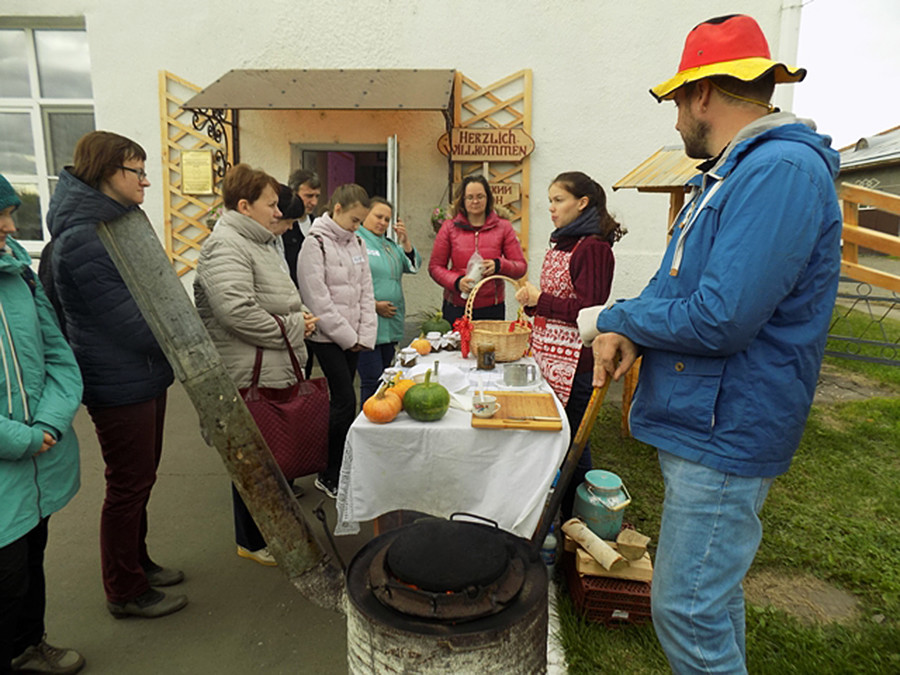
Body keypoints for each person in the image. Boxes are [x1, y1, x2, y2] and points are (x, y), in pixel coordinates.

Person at [580, 15, 842, 673]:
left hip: (730, 426)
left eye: (675, 103)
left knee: (686, 609)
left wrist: (614, 317)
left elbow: (723, 317)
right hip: (706, 419)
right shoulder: (730, 175)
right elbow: (679, 295)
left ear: (701, 94)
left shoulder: (778, 171)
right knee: (708, 602)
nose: (673, 121)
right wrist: (630, 330)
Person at [47, 131, 187, 619]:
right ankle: (124, 590)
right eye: (137, 170)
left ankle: (138, 563)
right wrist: (180, 331)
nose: (146, 180)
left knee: (141, 478)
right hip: (118, 380)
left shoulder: (117, 224)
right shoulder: (84, 238)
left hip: (142, 374)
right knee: (127, 484)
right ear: (109, 172)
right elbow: (129, 320)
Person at [194, 166, 317, 566]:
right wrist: (296, 326)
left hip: (266, 366)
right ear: (245, 206)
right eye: (270, 204)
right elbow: (237, 313)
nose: (277, 212)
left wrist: (297, 313)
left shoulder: (255, 242)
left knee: (267, 455)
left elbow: (272, 297)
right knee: (252, 458)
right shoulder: (227, 246)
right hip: (249, 374)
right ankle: (252, 539)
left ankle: (271, 531)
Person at [0, 175, 85, 674]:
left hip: (38, 458)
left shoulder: (20, 276)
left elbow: (58, 354)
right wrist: (25, 438)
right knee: (5, 578)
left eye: (10, 214)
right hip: (17, 454)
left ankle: (30, 644)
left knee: (31, 562)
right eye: (0, 217)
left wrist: (51, 421)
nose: (11, 227)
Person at [515, 171, 625, 518]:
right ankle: (556, 514)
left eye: (558, 200)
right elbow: (559, 301)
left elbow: (590, 312)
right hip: (550, 360)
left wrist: (542, 299)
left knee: (573, 444)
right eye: (549, 200)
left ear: (582, 203)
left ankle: (577, 519)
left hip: (576, 364)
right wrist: (532, 303)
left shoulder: (592, 248)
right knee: (557, 441)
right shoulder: (565, 243)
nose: (551, 208)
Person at [297, 184, 376, 499]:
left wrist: (364, 336)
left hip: (353, 337)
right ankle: (328, 473)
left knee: (345, 403)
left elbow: (366, 293)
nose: (358, 226)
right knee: (343, 401)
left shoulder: (356, 241)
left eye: (361, 221)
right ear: (338, 209)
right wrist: (348, 337)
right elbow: (317, 300)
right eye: (355, 219)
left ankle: (338, 466)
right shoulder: (314, 244)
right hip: (327, 338)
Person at [428, 175, 527, 325]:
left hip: (492, 309)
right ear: (463, 200)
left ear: (488, 198)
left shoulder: (504, 227)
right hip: (456, 307)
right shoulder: (449, 228)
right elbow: (435, 267)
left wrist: (499, 265)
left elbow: (520, 267)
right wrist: (457, 282)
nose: (475, 201)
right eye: (470, 197)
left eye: (480, 196)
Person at [356, 197, 421, 403]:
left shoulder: (390, 245)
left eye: (387, 219)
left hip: (390, 322)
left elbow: (411, 266)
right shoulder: (356, 240)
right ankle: (367, 420)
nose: (382, 222)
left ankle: (382, 419)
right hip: (367, 321)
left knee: (386, 379)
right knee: (372, 380)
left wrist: (405, 241)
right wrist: (374, 305)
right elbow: (348, 283)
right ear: (365, 214)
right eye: (378, 216)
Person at [286, 170, 322, 379]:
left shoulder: (317, 224)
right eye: (309, 196)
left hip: (314, 302)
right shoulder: (284, 226)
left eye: (316, 196)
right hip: (293, 303)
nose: (313, 201)